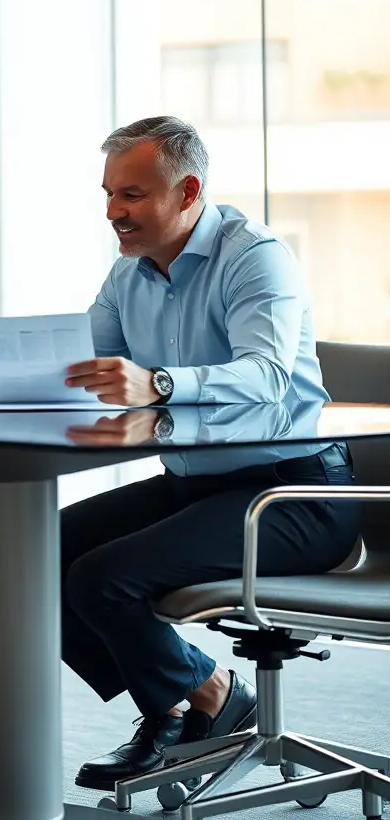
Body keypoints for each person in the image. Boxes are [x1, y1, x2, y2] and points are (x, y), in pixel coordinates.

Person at [59, 116, 360, 790]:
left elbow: (266, 375)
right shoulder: (129, 274)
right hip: (200, 486)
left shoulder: (255, 257)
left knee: (101, 577)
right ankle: (182, 706)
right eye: (108, 194)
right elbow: (83, 364)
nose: (114, 212)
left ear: (188, 190)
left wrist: (159, 384)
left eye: (132, 195)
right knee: (37, 552)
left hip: (294, 495)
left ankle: (202, 702)